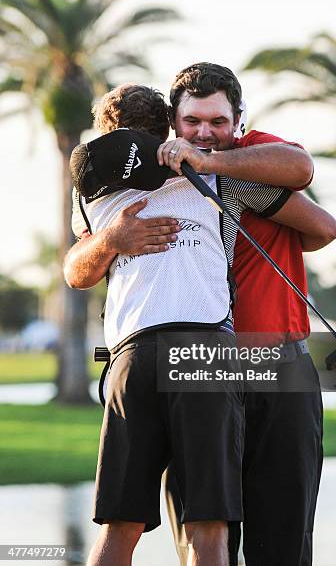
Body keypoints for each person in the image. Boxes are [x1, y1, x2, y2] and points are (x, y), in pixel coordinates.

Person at [64, 75, 315, 566]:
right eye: (191, 124)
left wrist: (109, 238)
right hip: (205, 354)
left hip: (131, 358)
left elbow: (76, 274)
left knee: (119, 529)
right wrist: (114, 238)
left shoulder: (90, 194)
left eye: (217, 122)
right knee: (210, 531)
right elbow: (318, 212)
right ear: (167, 128)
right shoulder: (219, 178)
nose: (203, 134)